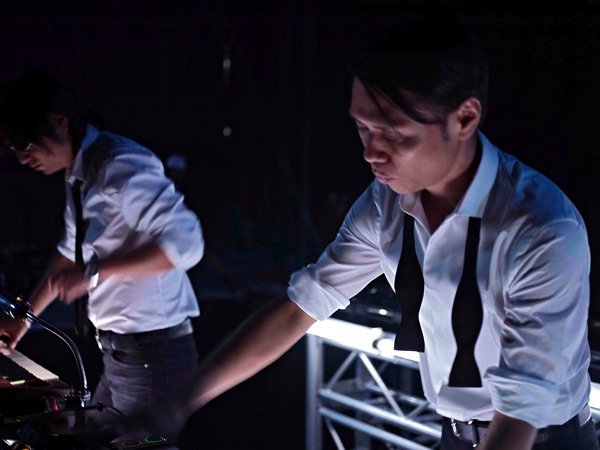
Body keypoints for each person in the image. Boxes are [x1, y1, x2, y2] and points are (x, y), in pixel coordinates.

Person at [131, 13, 596, 450]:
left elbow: (519, 412)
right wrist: (176, 407)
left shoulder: (541, 229)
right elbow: (300, 307)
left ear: (465, 119)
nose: (371, 153)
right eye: (362, 129)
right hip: (455, 433)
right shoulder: (386, 202)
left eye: (394, 135)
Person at [0, 69, 204, 417]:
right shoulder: (79, 174)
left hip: (153, 355)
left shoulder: (118, 163)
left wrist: (94, 272)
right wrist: (25, 318)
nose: (21, 158)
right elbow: (70, 252)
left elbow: (186, 242)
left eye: (26, 145)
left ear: (60, 123)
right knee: (93, 434)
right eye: (13, 149)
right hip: (120, 354)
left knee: (120, 438)